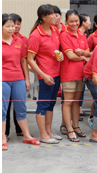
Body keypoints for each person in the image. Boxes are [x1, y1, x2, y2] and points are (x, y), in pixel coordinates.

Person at [27, 5, 63, 144]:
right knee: (43, 105)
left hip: (56, 73)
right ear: (43, 17)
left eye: (56, 14)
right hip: (45, 76)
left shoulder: (54, 30)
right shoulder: (36, 35)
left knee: (51, 104)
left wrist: (60, 56)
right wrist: (43, 75)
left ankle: (49, 131)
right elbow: (30, 59)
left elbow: (55, 50)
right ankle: (43, 135)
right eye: (52, 14)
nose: (55, 16)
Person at [2, 14, 35, 149]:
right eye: (8, 26)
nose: (12, 28)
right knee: (2, 109)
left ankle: (26, 136)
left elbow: (23, 61)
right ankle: (2, 137)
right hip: (3, 80)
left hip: (18, 79)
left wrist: (27, 79)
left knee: (21, 108)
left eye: (13, 26)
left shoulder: (19, 41)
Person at [56, 10, 89, 142]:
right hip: (68, 74)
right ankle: (69, 128)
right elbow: (70, 56)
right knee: (68, 102)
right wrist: (83, 57)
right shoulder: (64, 35)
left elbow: (87, 51)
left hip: (80, 74)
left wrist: (83, 54)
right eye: (71, 21)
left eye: (76, 21)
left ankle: (76, 126)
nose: (74, 24)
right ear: (66, 22)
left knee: (76, 102)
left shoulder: (82, 35)